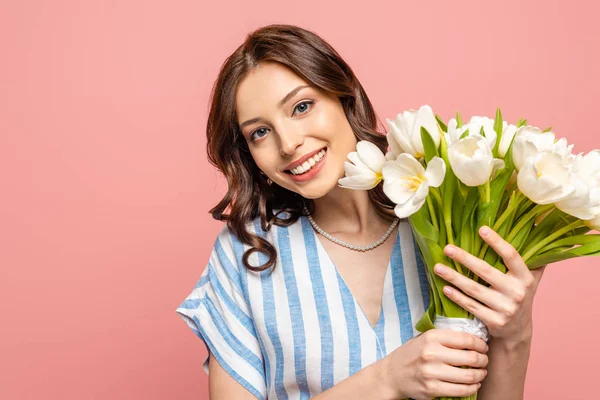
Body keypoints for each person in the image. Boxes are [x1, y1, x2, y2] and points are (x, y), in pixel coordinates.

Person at [175, 24, 546, 400]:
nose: (288, 144)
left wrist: (515, 335)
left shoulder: (448, 214)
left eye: (302, 107)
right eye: (259, 133)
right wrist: (385, 379)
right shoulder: (245, 253)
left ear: (344, 94)